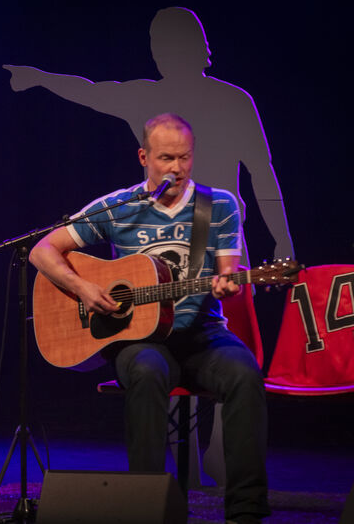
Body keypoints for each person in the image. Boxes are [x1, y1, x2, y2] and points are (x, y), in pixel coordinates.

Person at [29, 113, 270, 524]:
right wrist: (83, 288)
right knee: (146, 370)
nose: (176, 168)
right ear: (144, 157)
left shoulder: (218, 205)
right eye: (166, 158)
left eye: (184, 158)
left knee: (244, 374)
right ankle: (148, 506)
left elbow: (230, 272)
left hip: (203, 334)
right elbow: (42, 251)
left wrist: (229, 284)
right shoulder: (118, 206)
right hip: (140, 338)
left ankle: (246, 510)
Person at [4, 6, 294, 265]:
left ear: (196, 45)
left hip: (219, 233)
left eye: (169, 44)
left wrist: (283, 239)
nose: (162, 53)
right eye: (159, 44)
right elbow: (89, 92)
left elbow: (262, 173)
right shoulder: (149, 96)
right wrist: (39, 77)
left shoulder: (233, 101)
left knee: (228, 305)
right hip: (156, 238)